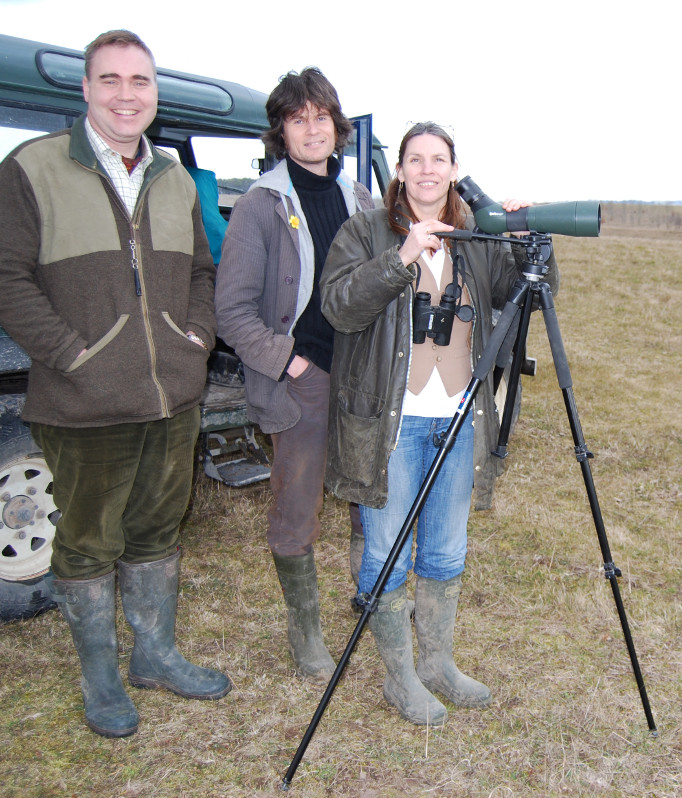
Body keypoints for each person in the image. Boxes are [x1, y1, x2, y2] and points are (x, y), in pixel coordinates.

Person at [0, 30, 231, 738]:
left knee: (157, 529)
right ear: (86, 89)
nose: (126, 95)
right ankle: (100, 678)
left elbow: (201, 272)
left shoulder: (173, 178)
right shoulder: (32, 167)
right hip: (83, 403)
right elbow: (6, 277)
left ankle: (155, 657)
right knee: (88, 543)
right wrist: (74, 356)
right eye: (111, 80)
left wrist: (196, 341)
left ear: (154, 94)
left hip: (172, 397)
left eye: (140, 81)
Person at [320, 122, 559, 724]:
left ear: (454, 170)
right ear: (399, 170)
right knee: (387, 551)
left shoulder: (477, 236)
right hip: (390, 423)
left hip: (458, 418)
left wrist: (529, 244)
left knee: (447, 550)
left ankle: (436, 663)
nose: (427, 170)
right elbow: (338, 308)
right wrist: (401, 258)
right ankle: (399, 677)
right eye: (416, 159)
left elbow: (532, 295)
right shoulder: (364, 230)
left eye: (439, 159)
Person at [215, 68, 374, 682]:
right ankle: (305, 631)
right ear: (281, 131)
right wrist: (290, 361)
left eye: (321, 117)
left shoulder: (362, 200)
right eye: (297, 118)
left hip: (364, 377)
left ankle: (372, 595)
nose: (312, 130)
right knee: (297, 504)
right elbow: (232, 310)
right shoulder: (261, 206)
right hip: (303, 377)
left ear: (337, 126)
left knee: (369, 491)